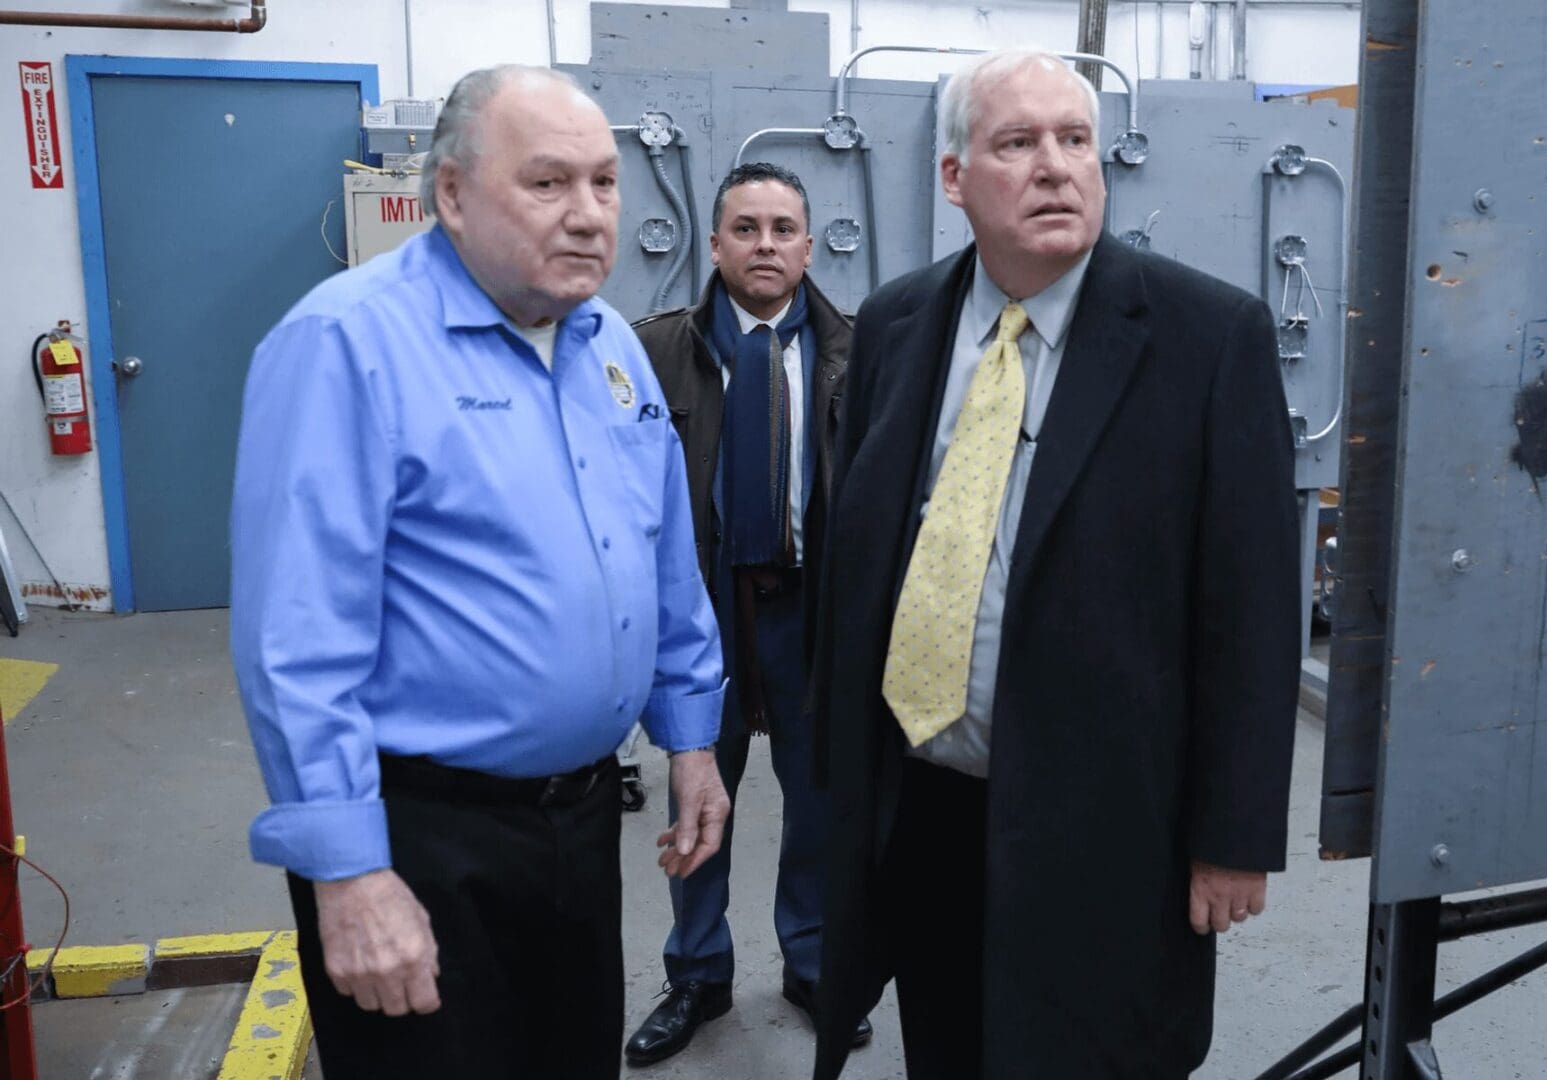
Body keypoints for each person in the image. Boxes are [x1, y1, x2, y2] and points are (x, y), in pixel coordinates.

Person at [229, 64, 732, 1079]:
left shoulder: (609, 351)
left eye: (604, 182)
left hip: (580, 823)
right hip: (423, 839)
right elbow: (296, 639)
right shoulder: (347, 345)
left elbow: (665, 562)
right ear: (449, 195)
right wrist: (351, 874)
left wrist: (691, 739)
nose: (591, 216)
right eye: (548, 184)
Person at [809, 48, 1302, 1079]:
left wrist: (1235, 831)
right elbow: (861, 561)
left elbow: (1251, 610)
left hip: (1108, 821)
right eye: (1018, 142)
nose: (1055, 167)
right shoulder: (899, 326)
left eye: (1074, 140)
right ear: (955, 179)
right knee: (948, 1050)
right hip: (928, 805)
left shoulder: (1206, 338)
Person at [622, 162, 873, 1064]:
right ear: (716, 243)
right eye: (746, 228)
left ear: (809, 245)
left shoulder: (861, 352)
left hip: (813, 617)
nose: (765, 245)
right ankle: (697, 972)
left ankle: (811, 964)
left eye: (782, 229)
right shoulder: (653, 352)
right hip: (706, 617)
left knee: (819, 804)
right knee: (696, 799)